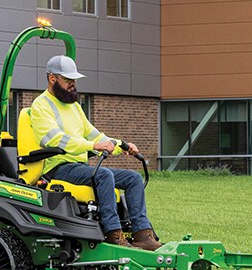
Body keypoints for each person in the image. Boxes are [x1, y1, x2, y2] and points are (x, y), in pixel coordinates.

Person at [29, 55, 161, 251]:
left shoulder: (73, 106)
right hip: (58, 168)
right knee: (103, 174)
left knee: (133, 178)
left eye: (74, 80)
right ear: (52, 79)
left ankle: (142, 234)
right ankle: (113, 233)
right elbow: (55, 140)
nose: (73, 85)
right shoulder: (41, 106)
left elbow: (95, 135)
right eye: (68, 80)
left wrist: (122, 146)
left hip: (80, 167)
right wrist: (92, 146)